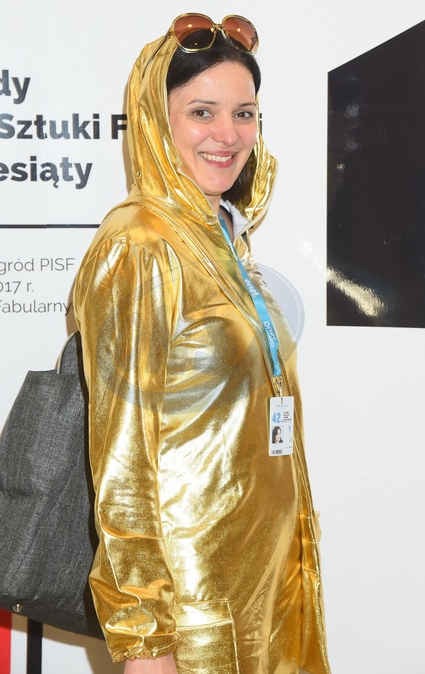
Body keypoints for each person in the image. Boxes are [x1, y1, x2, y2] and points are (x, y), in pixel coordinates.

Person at [74, 14, 330, 674]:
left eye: (244, 113)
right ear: (157, 122)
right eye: (201, 112)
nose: (228, 134)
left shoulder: (225, 238)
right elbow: (122, 454)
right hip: (195, 609)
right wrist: (145, 637)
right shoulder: (140, 244)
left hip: (267, 583)